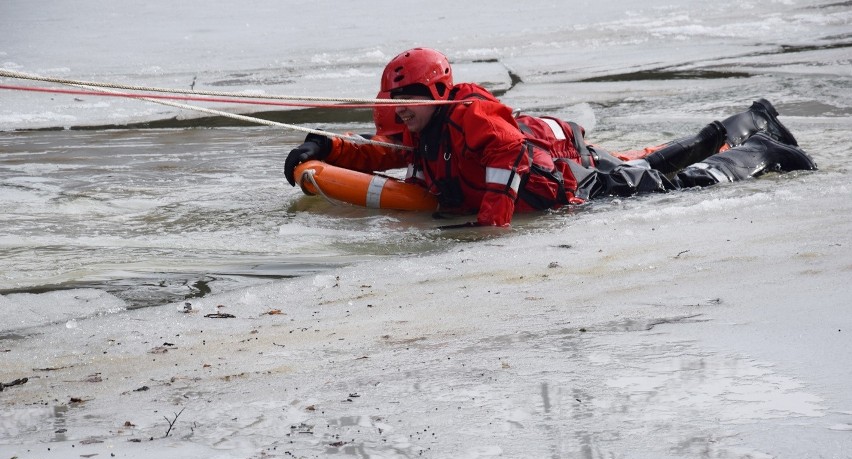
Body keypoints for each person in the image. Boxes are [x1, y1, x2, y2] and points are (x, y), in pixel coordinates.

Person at [285, 47, 816, 227]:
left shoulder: (467, 113)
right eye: (399, 103)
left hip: (568, 182)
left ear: (439, 91)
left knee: (671, 183)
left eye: (413, 100)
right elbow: (379, 152)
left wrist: (492, 222)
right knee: (653, 167)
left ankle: (760, 146)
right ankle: (752, 118)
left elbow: (508, 149)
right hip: (567, 153)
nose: (403, 111)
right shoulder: (420, 128)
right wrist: (321, 147)